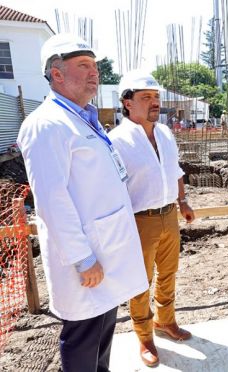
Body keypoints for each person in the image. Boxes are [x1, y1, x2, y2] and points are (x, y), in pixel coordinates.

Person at [17, 33, 148, 372]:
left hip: (105, 251)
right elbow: (51, 200)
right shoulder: (46, 125)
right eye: (83, 65)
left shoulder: (82, 118)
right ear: (56, 73)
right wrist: (82, 258)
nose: (95, 73)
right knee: (83, 338)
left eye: (94, 65)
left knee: (103, 331)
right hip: (87, 258)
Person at [109, 70, 196, 367]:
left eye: (156, 97)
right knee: (139, 282)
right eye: (146, 97)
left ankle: (166, 321)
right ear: (127, 102)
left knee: (168, 274)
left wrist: (182, 200)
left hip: (168, 215)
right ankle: (145, 336)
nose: (154, 102)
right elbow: (112, 187)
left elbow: (175, 171)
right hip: (138, 221)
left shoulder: (165, 133)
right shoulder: (116, 141)